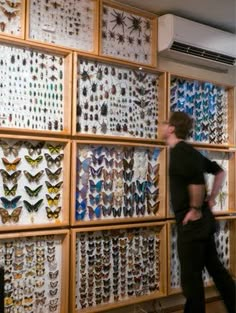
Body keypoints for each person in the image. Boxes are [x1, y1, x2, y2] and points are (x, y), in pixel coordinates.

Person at [160, 111, 236, 313]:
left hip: (193, 226)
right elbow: (219, 171)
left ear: (172, 128)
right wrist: (210, 200)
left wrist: (194, 209)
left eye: (165, 123)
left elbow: (196, 182)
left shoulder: (180, 153)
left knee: (191, 282)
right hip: (203, 224)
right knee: (217, 272)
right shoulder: (189, 152)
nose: (162, 126)